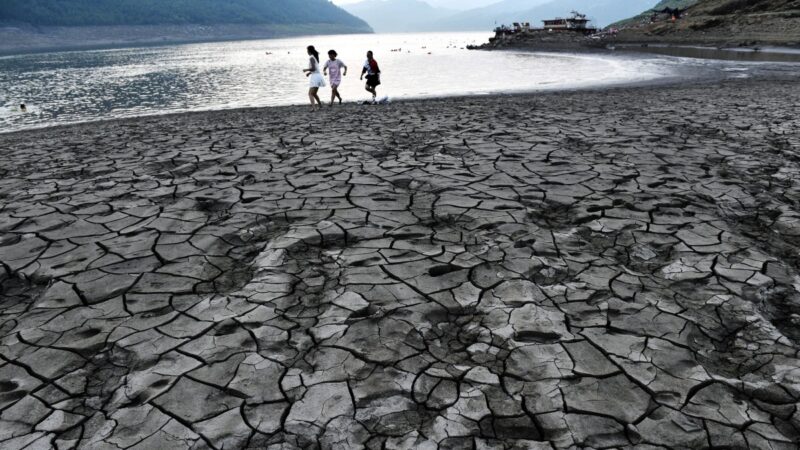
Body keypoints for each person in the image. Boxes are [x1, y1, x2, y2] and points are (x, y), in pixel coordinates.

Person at [303, 45, 325, 111]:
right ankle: (320, 105)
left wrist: (306, 70)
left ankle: (314, 108)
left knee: (310, 93)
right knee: (314, 93)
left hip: (315, 77)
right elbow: (316, 69)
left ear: (309, 51)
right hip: (318, 76)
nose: (307, 52)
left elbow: (313, 68)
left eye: (307, 50)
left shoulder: (311, 57)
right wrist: (309, 73)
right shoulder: (315, 57)